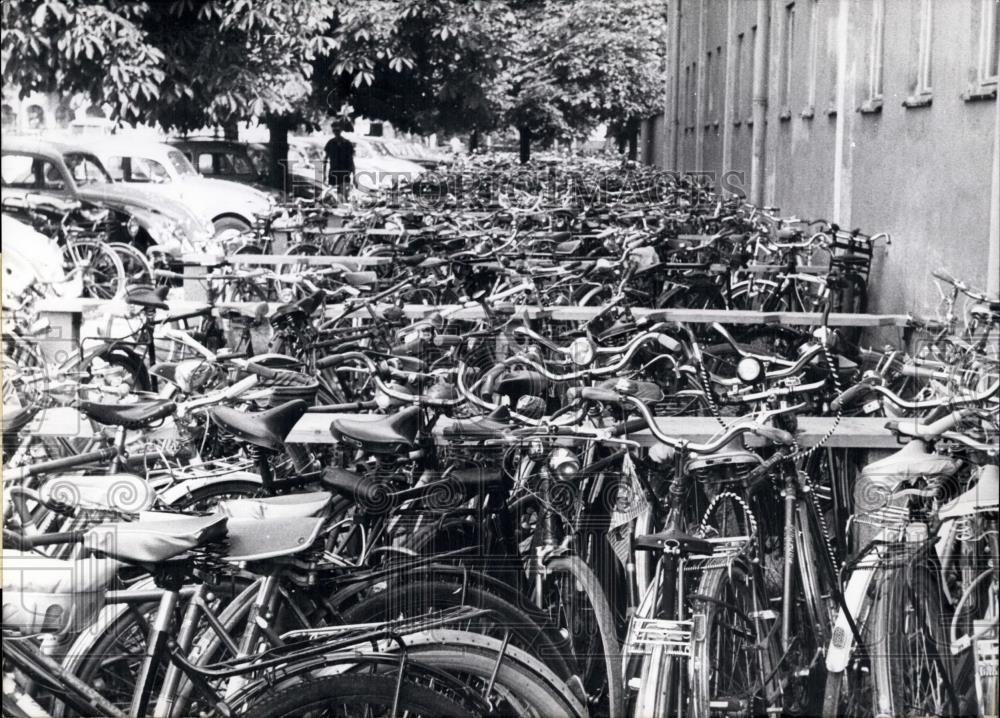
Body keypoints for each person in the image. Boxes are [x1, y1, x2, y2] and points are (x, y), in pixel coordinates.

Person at [324, 126, 355, 201]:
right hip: (334, 171)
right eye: (335, 130)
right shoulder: (330, 143)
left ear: (341, 131)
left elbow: (351, 160)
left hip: (345, 172)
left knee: (344, 194)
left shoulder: (347, 143)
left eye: (338, 130)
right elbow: (325, 159)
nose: (336, 132)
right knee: (334, 194)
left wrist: (354, 175)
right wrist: (324, 175)